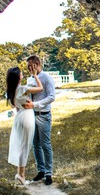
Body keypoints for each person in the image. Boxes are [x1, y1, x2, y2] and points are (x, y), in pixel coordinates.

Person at [6, 66, 43, 185]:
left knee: (22, 145)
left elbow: (15, 107)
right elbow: (40, 88)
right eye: (21, 73)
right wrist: (36, 75)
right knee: (25, 146)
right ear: (17, 77)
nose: (22, 74)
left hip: (19, 116)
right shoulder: (22, 88)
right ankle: (21, 175)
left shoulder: (11, 91)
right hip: (27, 116)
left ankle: (20, 174)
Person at [23, 55, 56, 186]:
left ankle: (48, 173)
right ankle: (41, 170)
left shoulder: (47, 78)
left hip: (43, 115)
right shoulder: (30, 79)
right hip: (31, 115)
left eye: (30, 66)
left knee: (45, 145)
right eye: (27, 67)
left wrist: (35, 105)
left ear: (37, 64)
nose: (29, 69)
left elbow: (52, 96)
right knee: (35, 144)